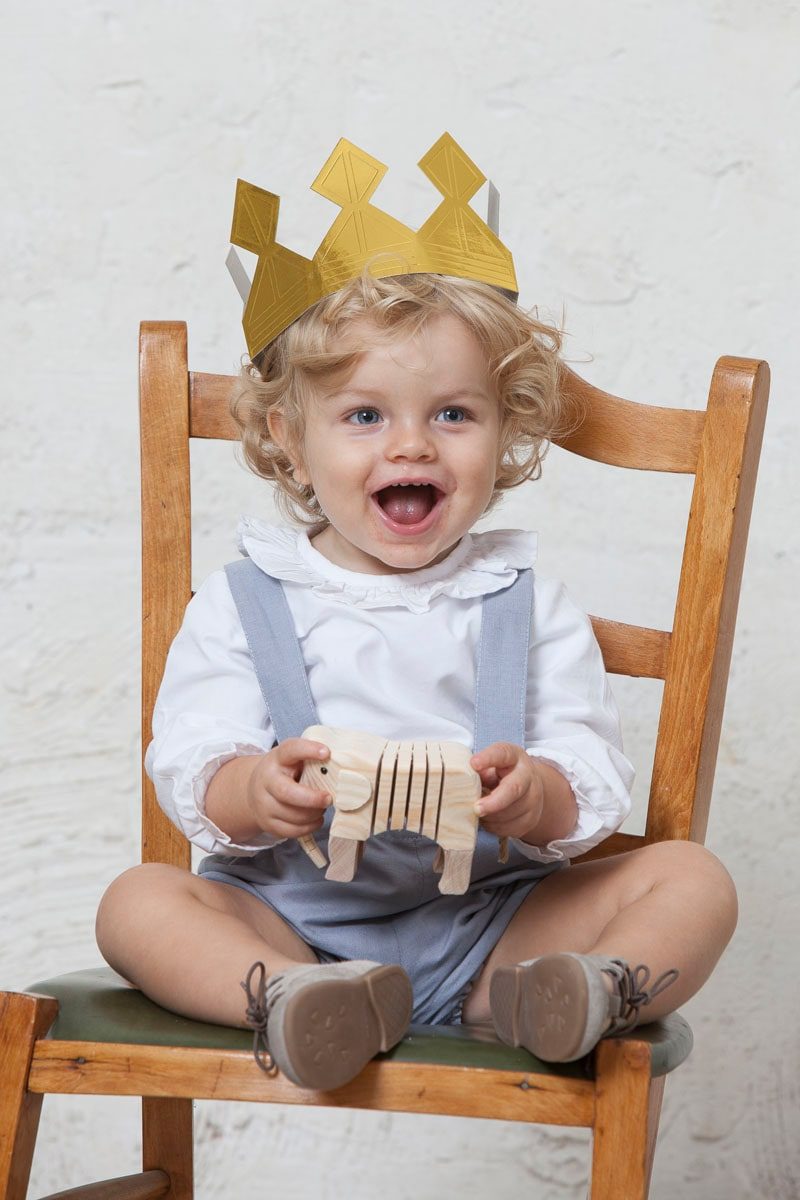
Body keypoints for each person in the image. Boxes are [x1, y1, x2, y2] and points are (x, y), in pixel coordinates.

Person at [96, 155, 738, 1093]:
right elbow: (190, 751)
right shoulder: (246, 601)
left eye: (452, 413)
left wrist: (538, 796)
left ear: (505, 429)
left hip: (492, 929)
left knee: (691, 878)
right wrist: (253, 788)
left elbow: (589, 770)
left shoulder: (527, 602)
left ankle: (580, 992)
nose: (411, 444)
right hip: (293, 919)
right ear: (289, 439)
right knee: (137, 902)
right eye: (364, 414)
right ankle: (293, 996)